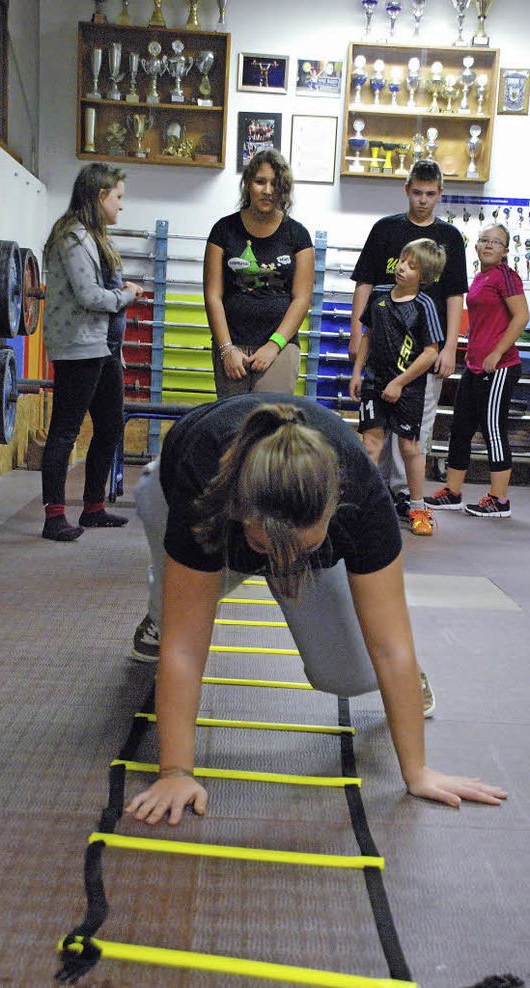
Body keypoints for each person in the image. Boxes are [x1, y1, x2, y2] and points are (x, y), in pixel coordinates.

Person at [125, 396, 506, 826]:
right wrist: (176, 772)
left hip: (282, 522)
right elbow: (185, 651)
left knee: (352, 674)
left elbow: (390, 647)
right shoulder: (206, 487)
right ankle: (161, 610)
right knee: (173, 621)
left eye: (302, 547)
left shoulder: (361, 498)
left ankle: (294, 555)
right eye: (265, 548)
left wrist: (416, 771)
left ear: (333, 511)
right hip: (177, 494)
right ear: (241, 518)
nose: (283, 563)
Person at [349, 160, 468, 518]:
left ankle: (404, 494)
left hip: (422, 352)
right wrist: (357, 332)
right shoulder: (385, 230)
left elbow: (454, 297)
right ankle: (377, 491)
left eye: (430, 194)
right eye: (417, 192)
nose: (422, 200)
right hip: (380, 344)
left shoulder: (449, 239)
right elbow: (365, 283)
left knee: (413, 429)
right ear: (407, 190)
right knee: (376, 430)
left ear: (440, 195)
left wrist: (449, 346)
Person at [40, 163, 143, 541]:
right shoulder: (73, 237)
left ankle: (94, 508)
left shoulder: (94, 237)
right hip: (78, 348)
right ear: (100, 196)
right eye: (118, 197)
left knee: (111, 426)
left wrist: (121, 290)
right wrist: (126, 295)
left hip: (104, 347)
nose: (121, 205)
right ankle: (53, 517)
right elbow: (88, 296)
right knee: (65, 431)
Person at [425, 224, 529, 517]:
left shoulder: (506, 277)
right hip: (475, 365)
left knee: (493, 430)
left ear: (506, 250)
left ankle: (499, 499)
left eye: (495, 242)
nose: (488, 245)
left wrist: (496, 352)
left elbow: (522, 316)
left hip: (500, 367)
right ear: (476, 246)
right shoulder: (483, 277)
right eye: (484, 240)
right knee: (460, 428)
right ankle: (453, 491)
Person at [350, 238, 446, 537]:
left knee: (409, 447)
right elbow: (367, 335)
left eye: (412, 266)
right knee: (370, 445)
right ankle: (362, 508)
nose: (402, 268)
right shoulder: (378, 295)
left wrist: (399, 382)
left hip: (409, 390)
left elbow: (431, 352)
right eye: (402, 261)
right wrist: (357, 373)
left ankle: (418, 507)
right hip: (374, 384)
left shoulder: (424, 305)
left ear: (425, 276)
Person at [203, 149, 314, 398]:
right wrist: (226, 348)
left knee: (268, 429)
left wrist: (274, 345)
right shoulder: (223, 230)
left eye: (275, 184)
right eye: (260, 181)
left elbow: (302, 299)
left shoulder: (298, 236)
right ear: (248, 184)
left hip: (279, 347)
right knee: (233, 428)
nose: (267, 190)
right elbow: (212, 296)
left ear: (283, 189)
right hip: (231, 347)